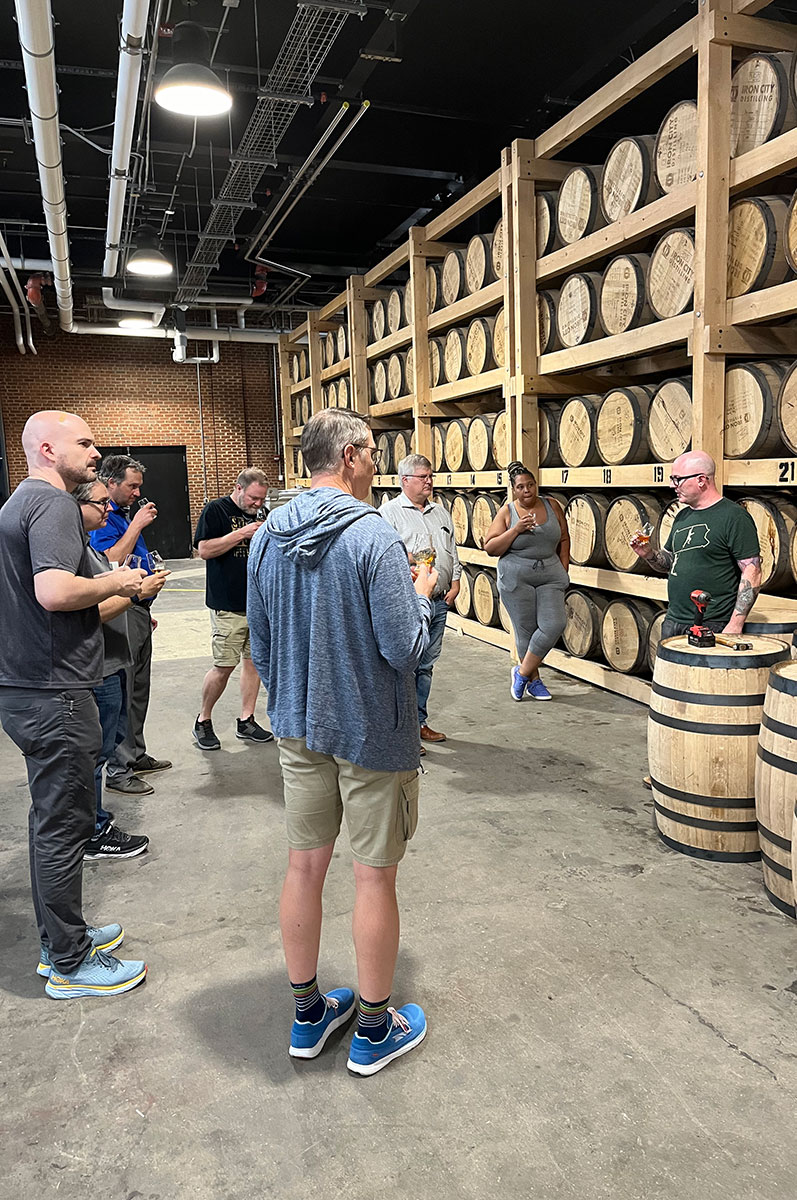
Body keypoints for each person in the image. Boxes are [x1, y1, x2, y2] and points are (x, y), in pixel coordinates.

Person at [247, 408, 435, 1075]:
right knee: (371, 875)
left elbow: (260, 644)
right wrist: (421, 593)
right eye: (375, 453)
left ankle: (307, 1016)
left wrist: (294, 701)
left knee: (303, 867)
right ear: (351, 455)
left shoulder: (268, 533)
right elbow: (403, 647)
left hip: (299, 728)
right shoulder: (373, 537)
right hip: (369, 733)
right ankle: (375, 1029)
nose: (378, 464)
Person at [0, 410, 148, 999]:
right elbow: (56, 591)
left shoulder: (19, 504)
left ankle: (63, 937)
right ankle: (68, 961)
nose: (95, 451)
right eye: (83, 442)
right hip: (54, 690)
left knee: (51, 822)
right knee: (64, 826)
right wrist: (117, 583)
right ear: (44, 448)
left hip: (30, 685)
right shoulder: (53, 503)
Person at [75, 478, 168, 859]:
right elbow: (90, 610)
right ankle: (93, 830)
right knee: (94, 750)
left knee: (121, 718)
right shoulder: (80, 547)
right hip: (99, 659)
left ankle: (98, 816)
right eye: (101, 503)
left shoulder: (85, 545)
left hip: (118, 644)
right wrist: (133, 594)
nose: (109, 509)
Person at [91, 454, 171, 797]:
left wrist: (142, 604)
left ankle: (134, 754)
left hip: (137, 609)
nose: (138, 492)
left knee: (139, 686)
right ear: (110, 483)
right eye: (132, 485)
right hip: (122, 607)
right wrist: (137, 525)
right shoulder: (104, 518)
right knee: (122, 688)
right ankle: (119, 768)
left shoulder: (121, 514)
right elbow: (108, 562)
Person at [630, 450, 762, 636]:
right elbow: (669, 562)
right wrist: (649, 554)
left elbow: (752, 570)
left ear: (701, 480)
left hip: (711, 624)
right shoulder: (682, 515)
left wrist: (735, 624)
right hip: (674, 620)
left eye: (677, 479)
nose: (671, 485)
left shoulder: (734, 516)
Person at [379, 453, 461, 748]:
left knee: (426, 665)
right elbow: (384, 557)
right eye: (423, 477)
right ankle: (403, 730)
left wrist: (455, 579)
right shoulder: (388, 513)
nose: (429, 481)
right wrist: (410, 557)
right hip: (409, 601)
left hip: (439, 601)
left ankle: (419, 722)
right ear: (405, 481)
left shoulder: (440, 512)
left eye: (430, 476)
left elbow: (451, 547)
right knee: (406, 666)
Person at [192, 467, 273, 751]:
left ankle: (247, 719)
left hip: (259, 604)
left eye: (262, 499)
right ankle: (203, 720)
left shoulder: (262, 515)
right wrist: (240, 534)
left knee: (254, 664)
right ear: (238, 488)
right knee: (224, 665)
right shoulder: (216, 510)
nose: (257, 505)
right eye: (253, 498)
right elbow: (203, 550)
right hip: (228, 604)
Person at [483, 460, 570, 701]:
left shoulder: (552, 506)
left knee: (554, 624)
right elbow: (490, 547)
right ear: (514, 489)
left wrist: (563, 570)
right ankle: (535, 681)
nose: (527, 490)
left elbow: (564, 538)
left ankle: (521, 673)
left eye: (530, 485)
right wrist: (516, 530)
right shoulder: (507, 512)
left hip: (550, 575)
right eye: (521, 487)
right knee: (525, 631)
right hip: (516, 577)